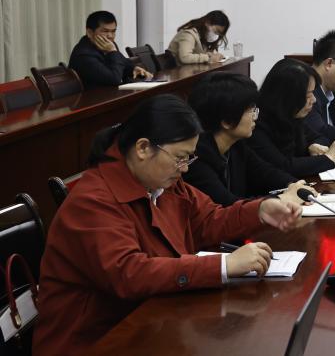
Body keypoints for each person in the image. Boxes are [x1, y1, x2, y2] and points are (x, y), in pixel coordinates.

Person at [32, 94, 302, 356]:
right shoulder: (92, 201)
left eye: (189, 158)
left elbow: (208, 219)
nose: (185, 168)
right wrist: (223, 266)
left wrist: (260, 210)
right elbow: (129, 272)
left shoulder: (162, 183)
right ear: (143, 148)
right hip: (94, 342)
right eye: (180, 157)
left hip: (150, 324)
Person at [184, 73, 310, 206]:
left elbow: (266, 173)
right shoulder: (195, 160)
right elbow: (227, 205)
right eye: (251, 111)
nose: (255, 117)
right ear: (227, 121)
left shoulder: (236, 145)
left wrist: (296, 186)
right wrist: (283, 199)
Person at [248, 58, 335, 179]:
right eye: (308, 95)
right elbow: (284, 166)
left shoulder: (292, 117)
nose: (314, 100)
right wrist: (329, 157)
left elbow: (320, 137)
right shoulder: (256, 125)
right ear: (287, 96)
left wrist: (313, 146)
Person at [68, 10, 152, 87]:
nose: (110, 36)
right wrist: (112, 51)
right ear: (89, 32)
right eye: (105, 31)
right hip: (96, 97)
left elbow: (123, 63)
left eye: (113, 31)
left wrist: (133, 69)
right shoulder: (83, 54)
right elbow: (114, 79)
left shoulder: (107, 46)